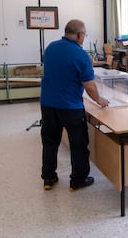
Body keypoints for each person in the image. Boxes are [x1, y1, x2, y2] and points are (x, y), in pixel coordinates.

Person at [40, 19, 109, 191]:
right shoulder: (81, 55)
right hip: (70, 107)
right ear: (79, 35)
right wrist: (99, 100)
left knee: (50, 142)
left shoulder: (50, 48)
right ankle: (78, 180)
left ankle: (48, 178)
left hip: (48, 104)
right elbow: (89, 85)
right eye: (84, 34)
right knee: (78, 144)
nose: (84, 38)